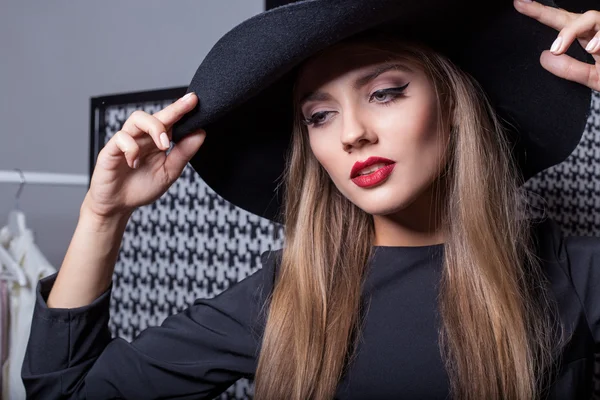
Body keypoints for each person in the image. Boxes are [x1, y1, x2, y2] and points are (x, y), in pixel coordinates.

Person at [19, 0, 600, 399]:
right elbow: (65, 389)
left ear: (455, 104)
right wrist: (104, 214)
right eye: (319, 115)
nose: (351, 133)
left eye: (385, 92)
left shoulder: (573, 271)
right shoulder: (292, 297)